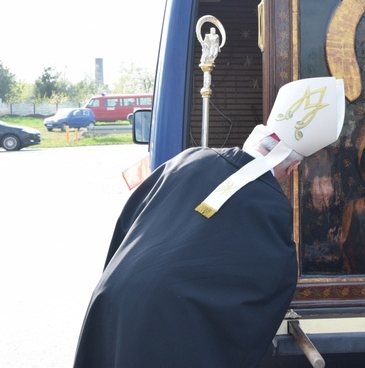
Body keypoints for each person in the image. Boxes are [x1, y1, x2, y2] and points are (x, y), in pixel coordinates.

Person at [73, 77, 346, 368]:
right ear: (293, 166)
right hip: (171, 321)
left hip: (113, 297)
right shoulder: (271, 204)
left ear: (257, 136)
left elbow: (128, 224)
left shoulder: (187, 159)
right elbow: (274, 281)